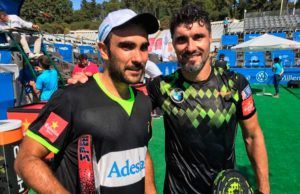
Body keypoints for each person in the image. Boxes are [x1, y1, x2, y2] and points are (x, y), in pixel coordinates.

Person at [14, 9, 159, 194]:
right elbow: (26, 159)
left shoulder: (143, 102)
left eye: (143, 47)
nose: (139, 58)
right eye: (127, 46)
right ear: (104, 50)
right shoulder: (71, 99)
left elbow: (142, 154)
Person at [147, 4, 270, 194]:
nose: (190, 47)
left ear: (210, 39)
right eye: (181, 39)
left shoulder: (236, 84)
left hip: (225, 189)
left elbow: (253, 136)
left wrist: (264, 189)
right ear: (173, 43)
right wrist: (88, 82)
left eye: (198, 37)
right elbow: (121, 105)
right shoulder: (161, 87)